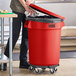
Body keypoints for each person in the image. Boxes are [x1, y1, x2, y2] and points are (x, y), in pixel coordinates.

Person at [3, 0, 35, 70]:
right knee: (14, 35)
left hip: (29, 9)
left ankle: (23, 62)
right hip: (17, 8)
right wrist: (25, 6)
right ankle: (4, 61)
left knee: (26, 36)